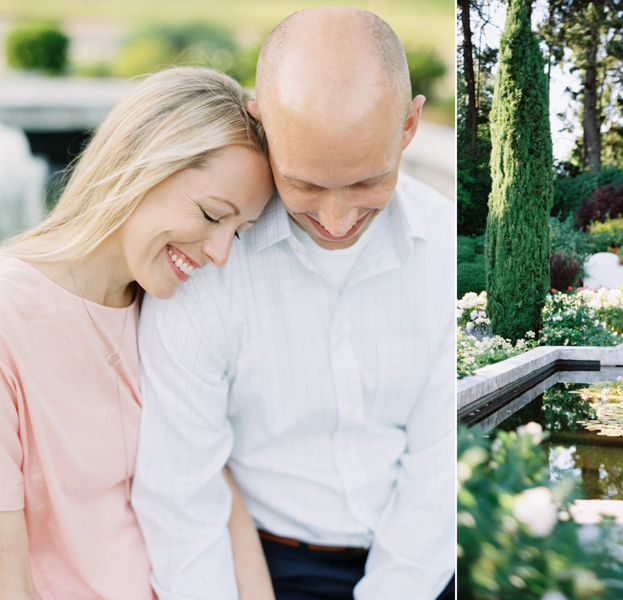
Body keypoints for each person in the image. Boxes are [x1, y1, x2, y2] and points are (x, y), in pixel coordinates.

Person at [131, 7, 455, 600]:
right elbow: (180, 495)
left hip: (423, 561)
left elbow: (439, 469)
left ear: (409, 126)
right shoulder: (207, 260)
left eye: (366, 183)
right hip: (263, 568)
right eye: (304, 184)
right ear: (263, 122)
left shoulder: (443, 249)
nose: (335, 220)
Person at [0, 67, 276, 600]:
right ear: (135, 154)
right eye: (212, 214)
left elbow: (217, 490)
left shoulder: (168, 310)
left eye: (238, 233)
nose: (220, 256)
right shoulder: (9, 318)